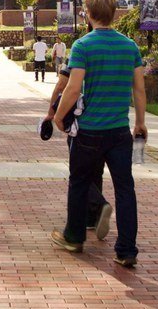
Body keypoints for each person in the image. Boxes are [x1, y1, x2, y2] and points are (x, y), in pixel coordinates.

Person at [51, 0, 146, 266]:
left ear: (89, 14)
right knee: (125, 189)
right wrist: (140, 122)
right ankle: (127, 250)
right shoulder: (130, 47)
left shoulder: (83, 45)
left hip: (89, 131)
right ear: (114, 14)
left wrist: (59, 115)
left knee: (80, 182)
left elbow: (73, 87)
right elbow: (139, 89)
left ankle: (74, 237)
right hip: (119, 131)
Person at [44, 64, 113, 241]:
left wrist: (52, 114)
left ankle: (99, 205)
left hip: (82, 123)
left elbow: (62, 85)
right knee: (96, 170)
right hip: (108, 122)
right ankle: (91, 218)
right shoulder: (110, 55)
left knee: (80, 174)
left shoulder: (81, 53)